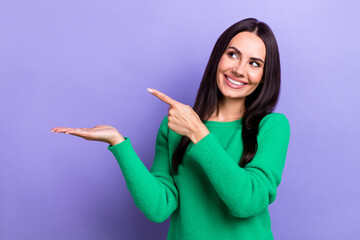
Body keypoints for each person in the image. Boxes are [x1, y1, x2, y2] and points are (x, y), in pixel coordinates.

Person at [51, 18, 290, 240]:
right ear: (218, 57)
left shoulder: (272, 127)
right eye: (233, 55)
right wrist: (118, 143)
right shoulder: (176, 125)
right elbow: (158, 206)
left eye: (254, 63)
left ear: (264, 76)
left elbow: (245, 202)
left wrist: (198, 133)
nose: (239, 70)